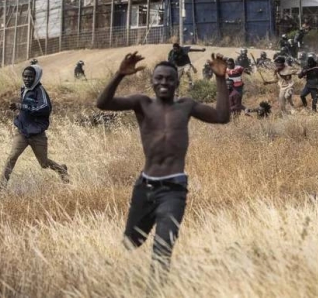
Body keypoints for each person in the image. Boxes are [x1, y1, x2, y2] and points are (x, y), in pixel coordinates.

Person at [95, 52, 230, 284]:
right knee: (132, 242)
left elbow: (221, 116)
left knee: (164, 244)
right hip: (145, 186)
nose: (164, 83)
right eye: (159, 78)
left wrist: (220, 79)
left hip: (174, 189)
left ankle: (155, 289)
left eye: (169, 79)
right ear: (152, 81)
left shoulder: (186, 106)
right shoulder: (142, 104)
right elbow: (102, 104)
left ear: (177, 83)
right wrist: (119, 75)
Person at [0, 65, 69, 191]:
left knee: (44, 164)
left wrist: (22, 107)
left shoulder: (40, 91)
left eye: (30, 77)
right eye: (25, 76)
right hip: (22, 132)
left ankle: (62, 170)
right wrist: (18, 111)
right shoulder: (24, 89)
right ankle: (1, 185)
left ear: (36, 77)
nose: (27, 79)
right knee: (12, 157)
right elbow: (26, 107)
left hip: (37, 134)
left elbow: (44, 108)